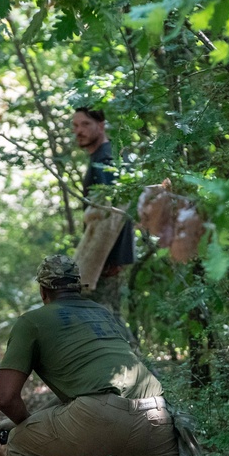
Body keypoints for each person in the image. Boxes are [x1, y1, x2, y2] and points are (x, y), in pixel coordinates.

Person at [0, 254, 196, 456]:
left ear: (43, 291)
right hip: (155, 413)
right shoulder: (104, 313)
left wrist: (21, 427)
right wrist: (25, 422)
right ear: (79, 287)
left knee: (20, 443)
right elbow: (96, 385)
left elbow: (6, 398)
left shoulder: (31, 322)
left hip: (97, 418)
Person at [72, 107, 135, 319]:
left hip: (106, 263)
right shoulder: (105, 156)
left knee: (106, 324)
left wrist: (100, 263)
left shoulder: (106, 159)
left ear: (101, 125)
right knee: (106, 322)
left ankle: (131, 353)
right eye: (75, 125)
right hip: (107, 261)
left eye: (85, 124)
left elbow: (113, 213)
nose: (79, 131)